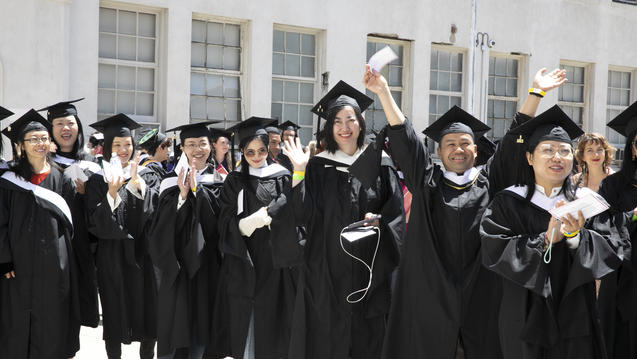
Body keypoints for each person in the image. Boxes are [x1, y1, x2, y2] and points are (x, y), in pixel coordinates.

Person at [363, 65, 567, 358]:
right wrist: (383, 92)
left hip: (483, 287)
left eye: (464, 144)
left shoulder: (490, 182)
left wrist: (536, 93)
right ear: (439, 150)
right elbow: (404, 139)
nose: (458, 150)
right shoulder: (427, 181)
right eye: (450, 144)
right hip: (430, 287)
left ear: (475, 149)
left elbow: (511, 142)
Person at [480, 105, 630, 358]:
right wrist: (546, 239)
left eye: (564, 151)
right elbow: (493, 248)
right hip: (524, 313)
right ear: (529, 158)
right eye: (547, 150)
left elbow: (615, 246)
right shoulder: (508, 202)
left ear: (573, 159)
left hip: (576, 312)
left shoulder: (588, 203)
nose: (557, 157)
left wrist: (575, 238)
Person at [284, 81, 405, 359]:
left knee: (367, 340)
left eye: (350, 119)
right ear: (330, 127)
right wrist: (299, 172)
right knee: (327, 340)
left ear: (360, 123)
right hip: (326, 272)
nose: (344, 127)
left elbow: (396, 214)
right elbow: (301, 215)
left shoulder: (380, 163)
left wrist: (380, 222)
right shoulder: (318, 165)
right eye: (337, 121)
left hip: (369, 270)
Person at [213, 117, 303, 359]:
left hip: (275, 263)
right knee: (247, 326)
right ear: (241, 151)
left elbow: (296, 213)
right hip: (245, 262)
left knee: (274, 327)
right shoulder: (234, 180)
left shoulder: (283, 176)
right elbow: (223, 222)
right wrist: (245, 224)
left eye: (262, 150)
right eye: (250, 151)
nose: (256, 156)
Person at [0, 109, 80, 359]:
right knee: (17, 321)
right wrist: (5, 259)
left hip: (54, 266)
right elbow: (0, 222)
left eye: (44, 138)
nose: (40, 143)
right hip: (18, 267)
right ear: (21, 145)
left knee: (51, 323)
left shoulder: (62, 179)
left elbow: (70, 226)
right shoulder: (9, 180)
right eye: (33, 139)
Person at [85, 114, 160, 359]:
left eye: (127, 144)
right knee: (114, 312)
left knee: (148, 310)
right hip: (113, 257)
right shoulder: (98, 179)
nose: (123, 150)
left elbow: (154, 213)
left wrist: (138, 185)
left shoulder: (146, 175)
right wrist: (112, 193)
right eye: (116, 145)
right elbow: (94, 223)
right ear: (107, 147)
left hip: (143, 255)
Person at [149, 121, 226, 359]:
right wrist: (182, 197)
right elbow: (160, 230)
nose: (197, 149)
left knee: (204, 330)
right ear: (182, 148)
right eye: (191, 144)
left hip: (208, 269)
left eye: (202, 143)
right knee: (177, 327)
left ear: (211, 147)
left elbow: (219, 226)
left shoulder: (222, 183)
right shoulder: (170, 183)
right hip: (179, 270)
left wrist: (198, 192)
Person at [37, 98, 103, 358]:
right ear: (50, 129)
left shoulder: (90, 163)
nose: (66, 128)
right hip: (47, 248)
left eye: (71, 123)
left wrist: (87, 194)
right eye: (59, 123)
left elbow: (100, 214)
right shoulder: (40, 162)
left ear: (79, 127)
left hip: (79, 249)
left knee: (73, 309)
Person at [597, 101, 637, 359]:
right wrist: (632, 216)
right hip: (627, 285)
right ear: (633, 149)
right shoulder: (613, 186)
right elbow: (601, 227)